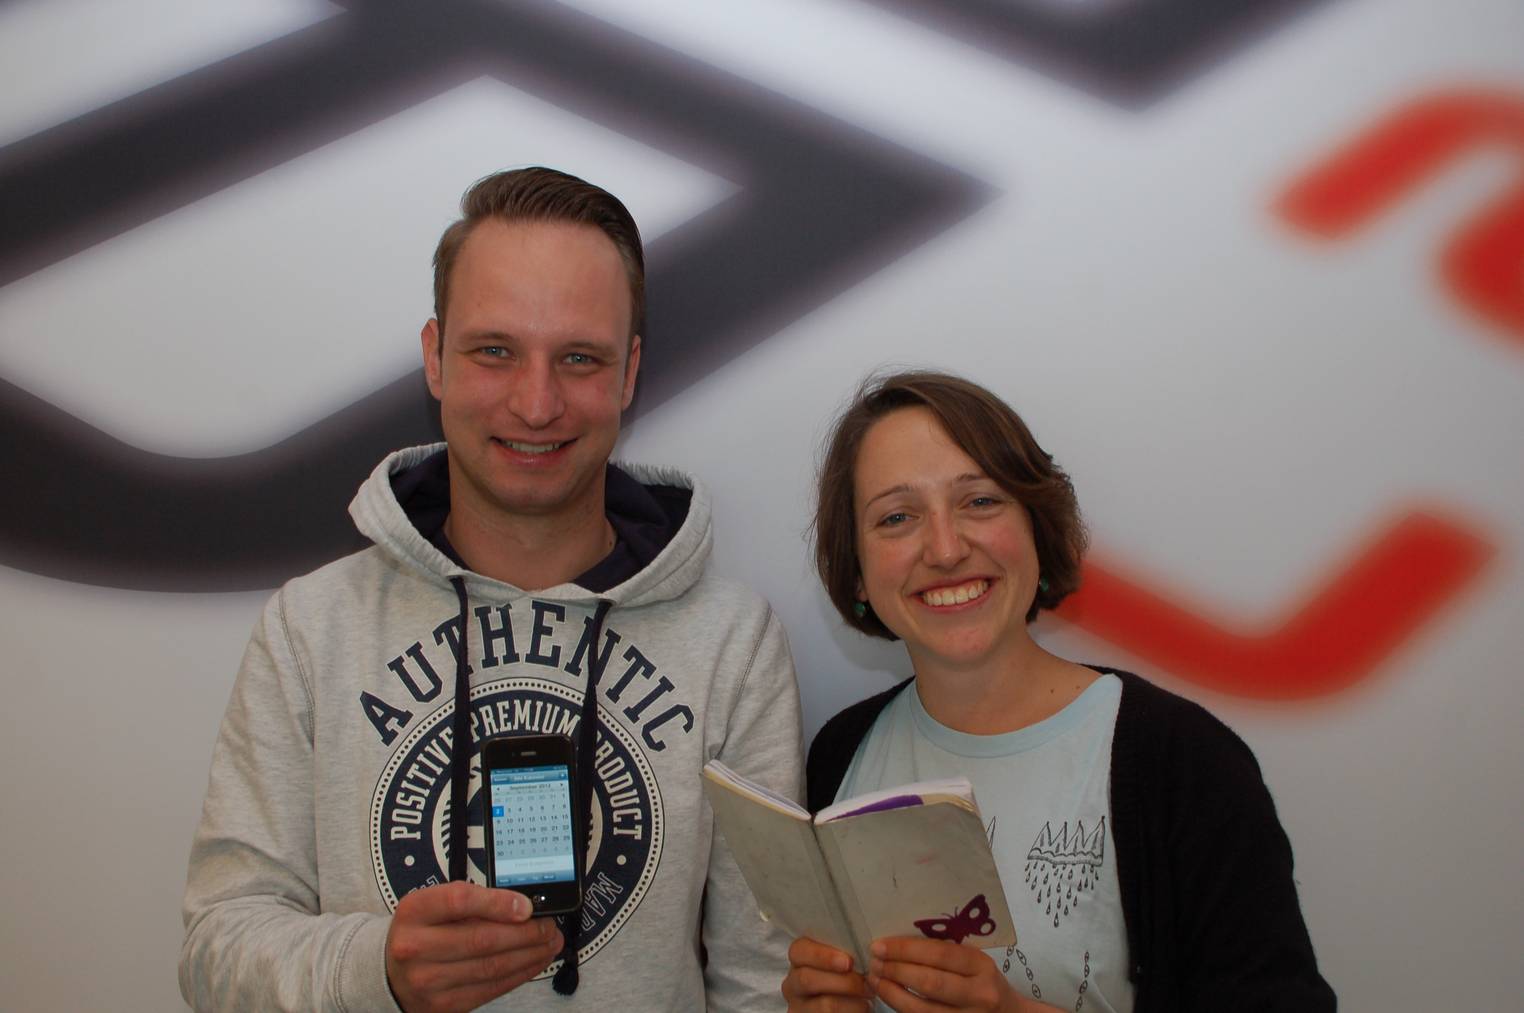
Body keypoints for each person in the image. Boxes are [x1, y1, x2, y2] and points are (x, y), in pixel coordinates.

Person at [179, 167, 803, 1011]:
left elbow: (764, 979)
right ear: (435, 357)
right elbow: (216, 948)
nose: (536, 404)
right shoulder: (310, 627)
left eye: (578, 358)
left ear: (628, 373)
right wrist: (377, 968)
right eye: (495, 351)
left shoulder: (734, 640)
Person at [783, 371, 1335, 1013]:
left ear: (1038, 530)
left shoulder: (1184, 760)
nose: (945, 548)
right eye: (897, 517)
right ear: (856, 570)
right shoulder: (840, 752)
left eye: (979, 501)